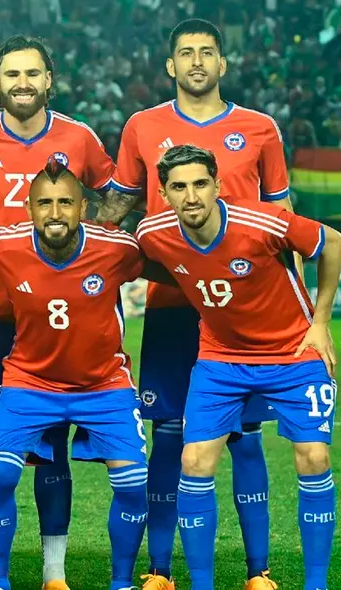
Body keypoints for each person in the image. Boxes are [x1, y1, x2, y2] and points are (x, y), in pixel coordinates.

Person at [96, 19, 294, 589]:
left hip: (246, 313)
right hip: (171, 304)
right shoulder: (142, 126)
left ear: (223, 63)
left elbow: (281, 226)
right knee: (169, 434)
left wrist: (299, 316)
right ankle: (160, 571)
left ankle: (260, 572)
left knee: (246, 438)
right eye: (186, 53)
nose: (197, 62)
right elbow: (119, 211)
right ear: (170, 66)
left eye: (208, 52)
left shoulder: (259, 130)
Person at [0, 34, 115, 590]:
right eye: (11, 73)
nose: (22, 83)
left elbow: (113, 200)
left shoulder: (79, 138)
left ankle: (54, 574)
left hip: (57, 319)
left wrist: (94, 244)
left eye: (32, 73)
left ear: (49, 80)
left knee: (52, 446)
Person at [0, 159, 159, 590]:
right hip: (29, 382)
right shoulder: (3, 245)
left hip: (103, 385)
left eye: (65, 203)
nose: (55, 212)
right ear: (28, 208)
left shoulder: (117, 247)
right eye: (44, 203)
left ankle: (122, 582)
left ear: (84, 207)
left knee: (135, 482)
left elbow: (171, 265)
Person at [136, 144, 338, 590]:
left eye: (200, 184)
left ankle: (317, 584)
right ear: (165, 193)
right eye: (179, 187)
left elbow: (333, 243)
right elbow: (153, 263)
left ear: (218, 186)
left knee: (315, 456)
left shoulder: (261, 222)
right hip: (220, 358)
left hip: (292, 354)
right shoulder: (153, 233)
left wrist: (321, 322)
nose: (191, 196)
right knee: (193, 459)